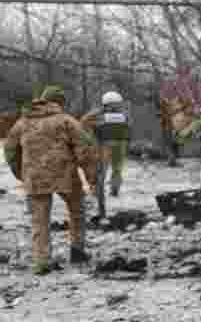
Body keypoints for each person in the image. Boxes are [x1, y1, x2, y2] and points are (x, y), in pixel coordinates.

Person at [3, 85, 97, 275]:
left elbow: (10, 150)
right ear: (60, 102)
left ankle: (41, 261)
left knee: (40, 219)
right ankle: (77, 250)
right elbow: (84, 150)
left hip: (35, 178)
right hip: (65, 175)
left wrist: (21, 174)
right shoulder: (66, 121)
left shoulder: (23, 122)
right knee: (77, 210)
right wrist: (91, 177)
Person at [81, 90, 132, 220]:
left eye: (117, 104)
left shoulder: (103, 114)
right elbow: (82, 124)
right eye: (114, 104)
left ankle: (107, 190)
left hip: (112, 145)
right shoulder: (120, 115)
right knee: (109, 169)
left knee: (110, 170)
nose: (115, 107)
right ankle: (104, 190)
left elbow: (82, 124)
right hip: (112, 145)